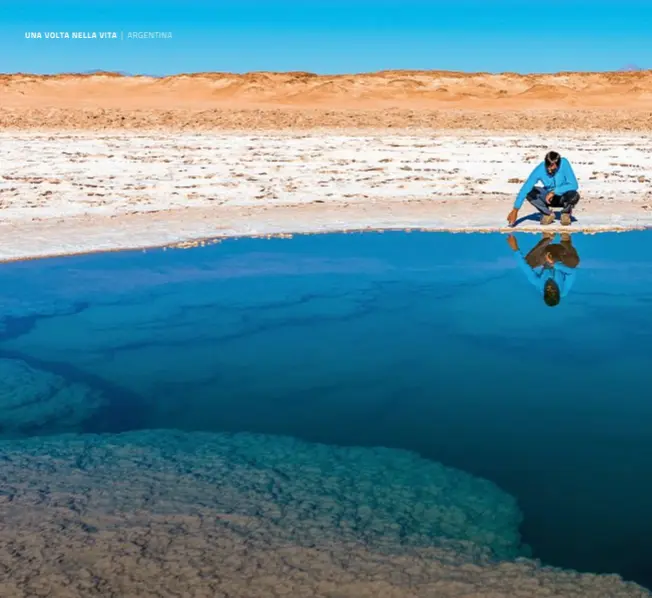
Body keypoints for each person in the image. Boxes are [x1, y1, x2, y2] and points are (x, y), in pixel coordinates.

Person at [506, 151, 580, 227]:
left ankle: (565, 213)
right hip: (549, 199)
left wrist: (554, 192)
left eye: (553, 167)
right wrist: (515, 210)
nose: (549, 169)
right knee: (529, 191)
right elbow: (525, 187)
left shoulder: (564, 163)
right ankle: (547, 213)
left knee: (574, 195)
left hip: (563, 197)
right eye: (548, 166)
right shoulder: (540, 169)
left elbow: (574, 185)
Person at [506, 232, 580, 307]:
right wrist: (555, 264)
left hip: (547, 253)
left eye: (547, 290)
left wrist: (515, 248)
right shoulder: (564, 288)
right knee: (574, 262)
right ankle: (565, 239)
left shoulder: (539, 283)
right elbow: (572, 272)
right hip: (562, 255)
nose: (549, 287)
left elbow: (525, 269)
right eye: (553, 290)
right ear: (558, 291)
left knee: (528, 263)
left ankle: (547, 237)